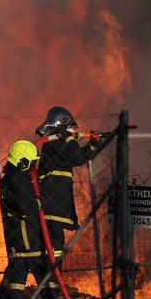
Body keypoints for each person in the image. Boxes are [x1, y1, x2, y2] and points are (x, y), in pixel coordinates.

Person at [33, 106, 109, 277]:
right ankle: (51, 282)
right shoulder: (53, 145)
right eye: (70, 128)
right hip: (51, 208)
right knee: (54, 246)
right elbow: (75, 157)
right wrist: (69, 138)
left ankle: (51, 282)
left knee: (54, 245)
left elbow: (80, 158)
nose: (74, 131)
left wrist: (92, 144)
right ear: (62, 128)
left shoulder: (59, 146)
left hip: (55, 207)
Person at [0, 139, 58, 299]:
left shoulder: (7, 179)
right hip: (29, 240)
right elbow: (26, 207)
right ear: (23, 162)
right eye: (32, 162)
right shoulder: (19, 180)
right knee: (46, 280)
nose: (34, 166)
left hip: (15, 240)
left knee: (16, 281)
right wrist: (40, 202)